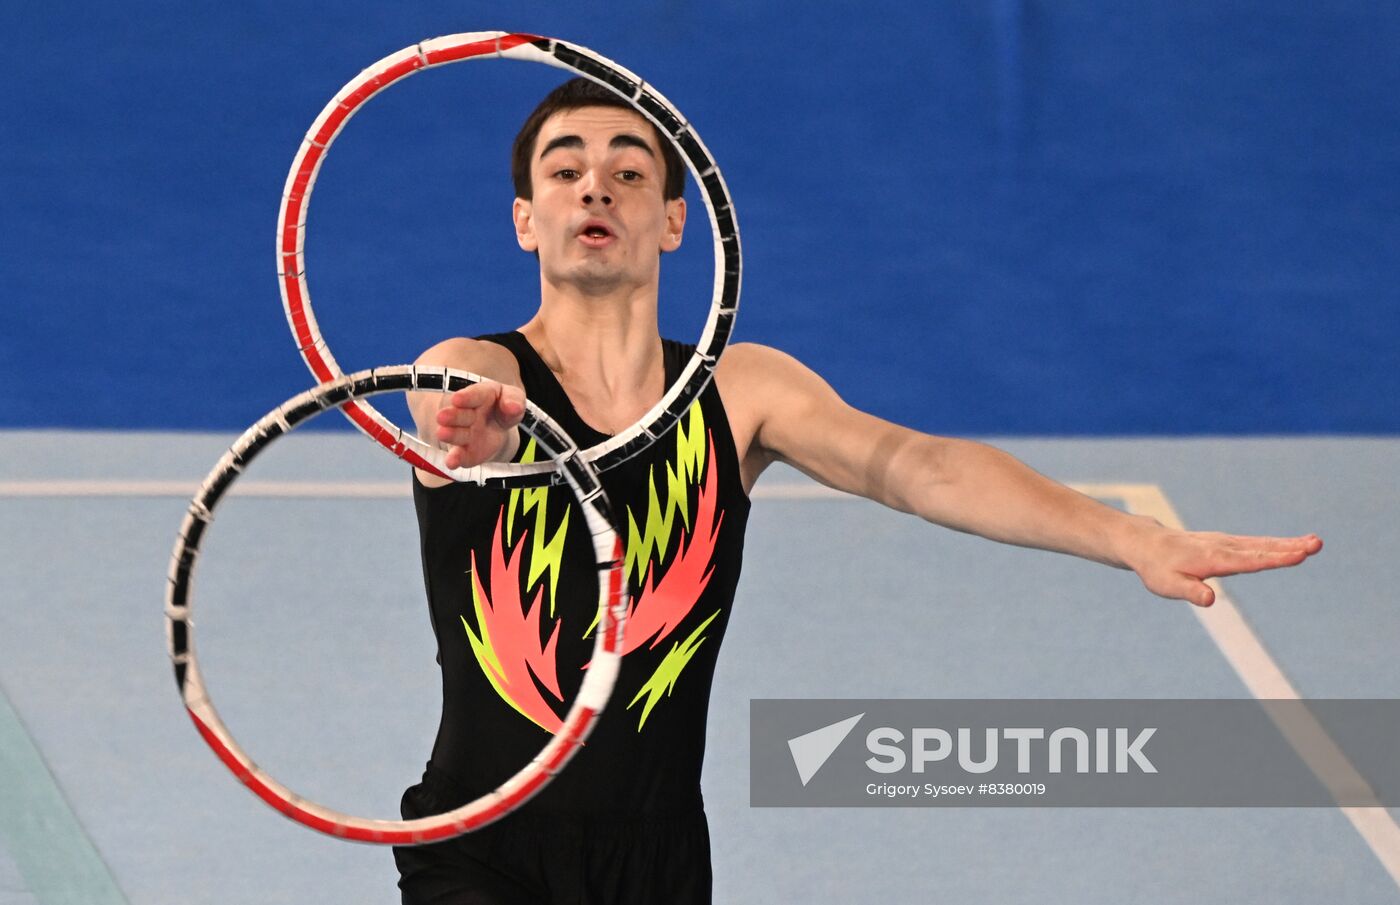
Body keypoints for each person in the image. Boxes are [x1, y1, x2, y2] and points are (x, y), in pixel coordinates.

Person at [394, 78, 1322, 904]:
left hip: (661, 857)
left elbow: (925, 466)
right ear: (526, 219)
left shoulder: (741, 392)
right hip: (480, 850)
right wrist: (487, 440)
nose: (596, 186)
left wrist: (1133, 539)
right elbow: (455, 405)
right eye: (565, 172)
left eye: (630, 172)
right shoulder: (473, 371)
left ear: (677, 219)